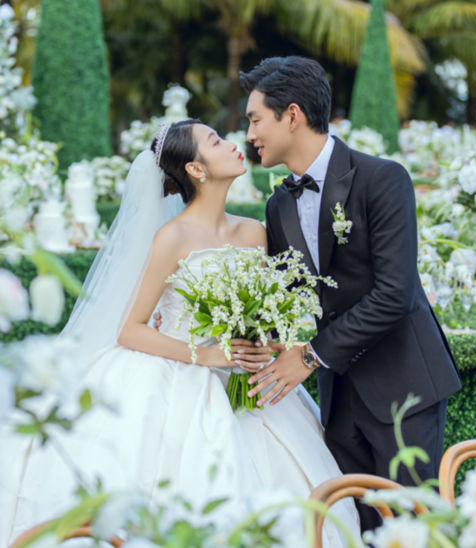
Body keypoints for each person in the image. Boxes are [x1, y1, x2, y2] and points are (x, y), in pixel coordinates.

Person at [2, 120, 360, 548]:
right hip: (178, 373)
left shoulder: (253, 231)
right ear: (196, 169)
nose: (233, 144)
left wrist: (263, 344)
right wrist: (207, 357)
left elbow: (262, 318)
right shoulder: (172, 237)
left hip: (245, 379)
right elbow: (130, 330)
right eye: (216, 141)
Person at [234, 56, 462, 531]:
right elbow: (287, 292)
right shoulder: (278, 205)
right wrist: (262, 339)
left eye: (255, 120)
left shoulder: (383, 178)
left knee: (412, 526)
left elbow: (395, 294)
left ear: (292, 116)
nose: (249, 134)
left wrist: (309, 355)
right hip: (338, 398)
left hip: (402, 384)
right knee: (355, 528)